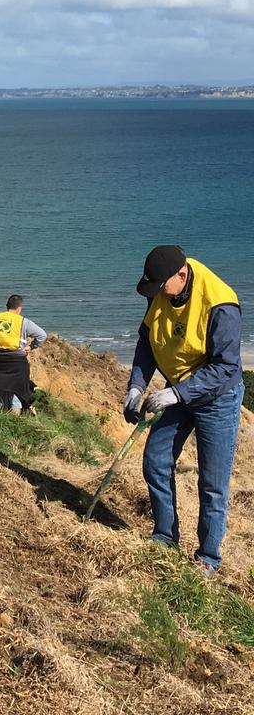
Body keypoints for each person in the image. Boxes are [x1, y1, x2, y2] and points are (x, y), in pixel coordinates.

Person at [124, 245, 243, 576]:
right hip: (177, 389)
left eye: (161, 287)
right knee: (156, 462)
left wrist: (177, 393)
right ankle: (165, 535)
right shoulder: (161, 289)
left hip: (217, 396)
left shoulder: (221, 304)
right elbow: (147, 341)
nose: (156, 295)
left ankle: (207, 556)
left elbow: (225, 367)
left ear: (182, 275)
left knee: (212, 481)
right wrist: (136, 385)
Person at [0, 295, 46, 413]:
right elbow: (42, 335)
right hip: (18, 362)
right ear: (19, 308)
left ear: (7, 307)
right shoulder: (23, 321)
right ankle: (15, 418)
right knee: (17, 392)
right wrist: (31, 346)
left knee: (1, 388)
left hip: (0, 361)